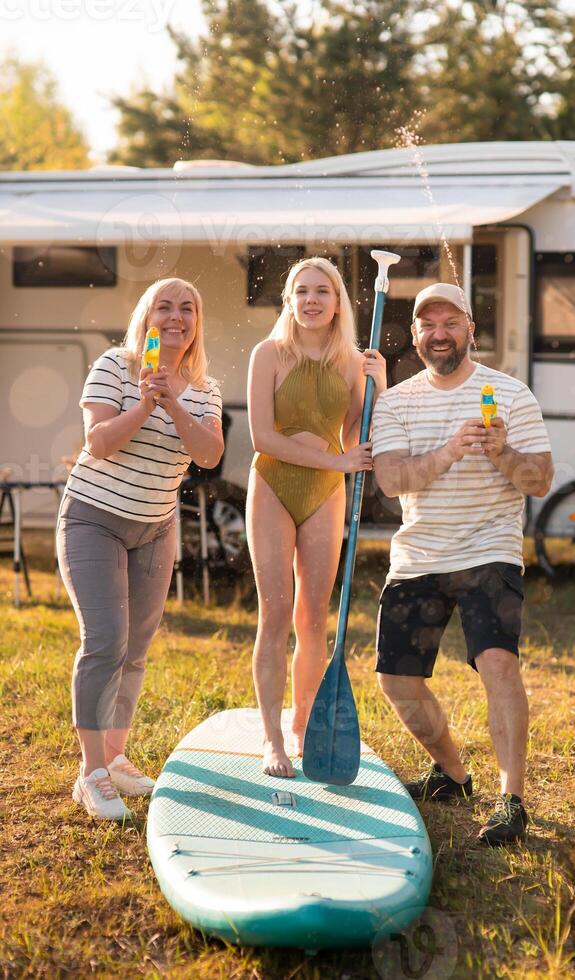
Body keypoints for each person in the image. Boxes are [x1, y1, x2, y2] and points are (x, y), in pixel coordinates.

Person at [372, 282, 553, 846]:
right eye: (429, 324)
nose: (440, 333)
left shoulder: (509, 393)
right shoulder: (396, 401)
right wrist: (451, 450)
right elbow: (391, 481)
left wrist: (503, 453)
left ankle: (512, 799)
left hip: (487, 550)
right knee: (397, 681)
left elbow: (541, 481)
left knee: (498, 664)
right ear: (417, 335)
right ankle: (453, 774)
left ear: (471, 328)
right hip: (420, 552)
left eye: (451, 322)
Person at [58, 278, 223, 821]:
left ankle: (115, 756)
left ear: (196, 322)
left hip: (155, 528)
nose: (176, 317)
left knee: (136, 648)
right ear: (146, 316)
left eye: (188, 309)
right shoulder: (114, 365)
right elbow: (98, 443)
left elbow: (208, 455)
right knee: (105, 640)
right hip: (93, 520)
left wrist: (171, 402)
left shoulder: (204, 388)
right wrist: (143, 403)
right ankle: (91, 774)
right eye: (165, 306)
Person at [247, 256, 386, 778]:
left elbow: (357, 438)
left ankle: (303, 725)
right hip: (274, 487)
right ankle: (271, 738)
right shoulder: (269, 354)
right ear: (289, 299)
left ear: (337, 302)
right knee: (276, 616)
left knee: (312, 621)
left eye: (322, 291)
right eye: (301, 290)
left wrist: (379, 383)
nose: (311, 300)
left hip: (326, 493)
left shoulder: (351, 360)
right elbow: (264, 438)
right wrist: (337, 461)